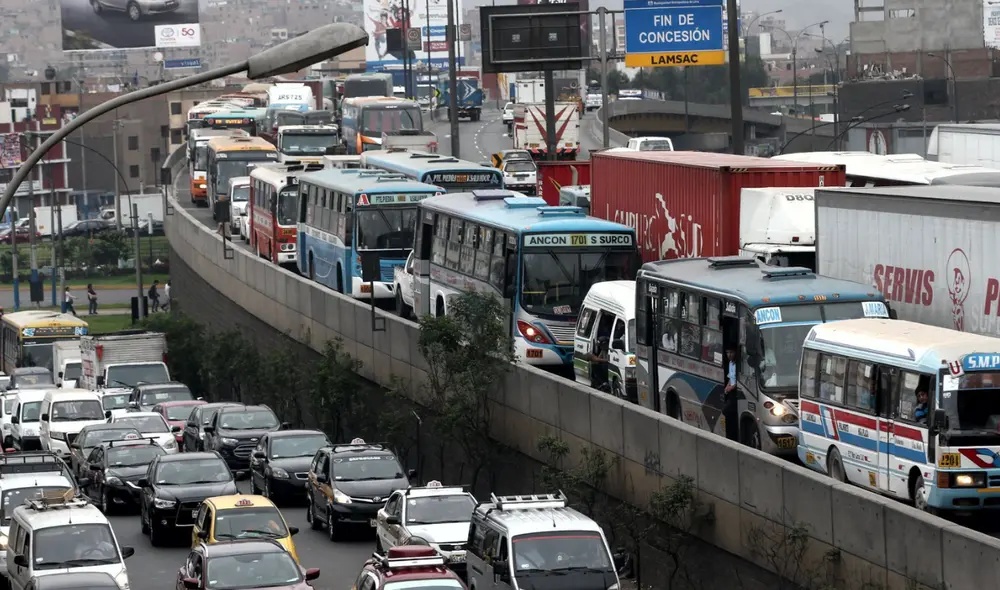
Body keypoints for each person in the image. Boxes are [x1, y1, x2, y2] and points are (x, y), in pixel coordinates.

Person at [723, 347, 739, 441]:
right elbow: (731, 378)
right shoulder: (730, 363)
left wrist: (729, 388)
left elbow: (737, 381)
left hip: (735, 392)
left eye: (731, 352)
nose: (729, 355)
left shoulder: (738, 364)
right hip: (730, 391)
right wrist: (727, 387)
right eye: (727, 352)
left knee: (726, 411)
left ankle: (733, 436)